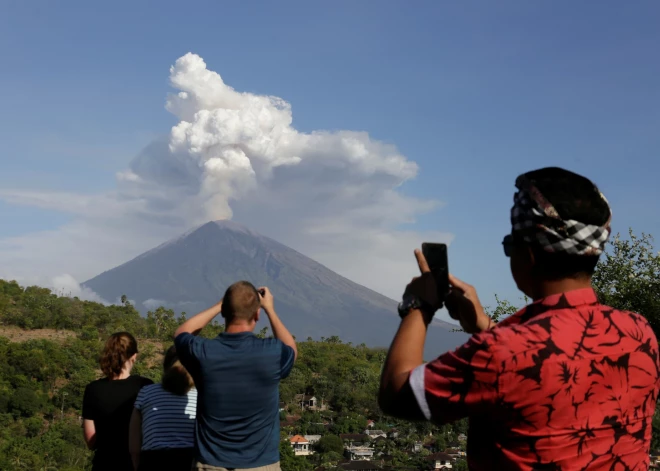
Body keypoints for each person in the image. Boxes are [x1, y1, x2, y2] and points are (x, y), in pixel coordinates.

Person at [379, 167, 660, 470]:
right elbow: (553, 355)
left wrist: (419, 305)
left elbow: (397, 394)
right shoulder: (640, 332)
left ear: (530, 255)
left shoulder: (502, 352)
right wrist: (484, 326)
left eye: (509, 244)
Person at [174, 281, 297, 471]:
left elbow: (181, 333)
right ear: (257, 314)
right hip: (261, 464)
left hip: (211, 464)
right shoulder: (271, 352)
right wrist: (270, 310)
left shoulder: (203, 352)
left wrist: (219, 305)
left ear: (224, 312)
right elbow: (292, 349)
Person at [82, 332, 153, 471]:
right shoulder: (145, 386)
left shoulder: (93, 389)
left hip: (104, 464)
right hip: (137, 464)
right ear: (134, 356)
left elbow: (90, 439)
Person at [129, 345, 197, 471]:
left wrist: (137, 465)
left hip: (153, 460)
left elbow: (134, 444)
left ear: (165, 366)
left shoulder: (146, 392)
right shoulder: (202, 394)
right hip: (191, 459)